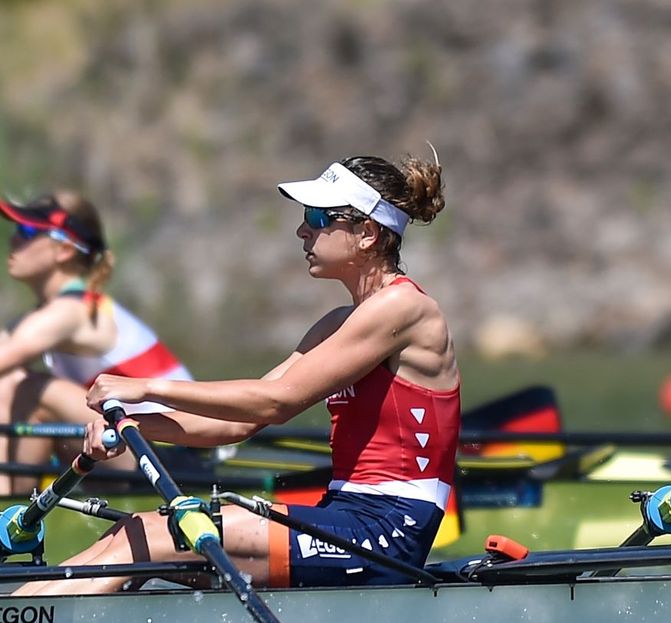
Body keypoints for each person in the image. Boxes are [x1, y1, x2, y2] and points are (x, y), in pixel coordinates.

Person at [15, 152, 458, 596]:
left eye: (318, 217)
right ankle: (25, 619)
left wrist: (147, 388)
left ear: (367, 233)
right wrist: (130, 428)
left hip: (388, 533)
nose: (303, 230)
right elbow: (237, 422)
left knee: (151, 539)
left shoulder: (406, 309)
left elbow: (277, 402)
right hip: (344, 517)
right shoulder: (338, 322)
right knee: (133, 530)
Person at [0, 191, 192, 494]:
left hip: (169, 455)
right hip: (129, 443)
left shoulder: (72, 311)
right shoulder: (53, 312)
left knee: (33, 390)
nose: (13, 241)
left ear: (64, 249)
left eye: (27, 232)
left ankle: (10, 501)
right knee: (13, 381)